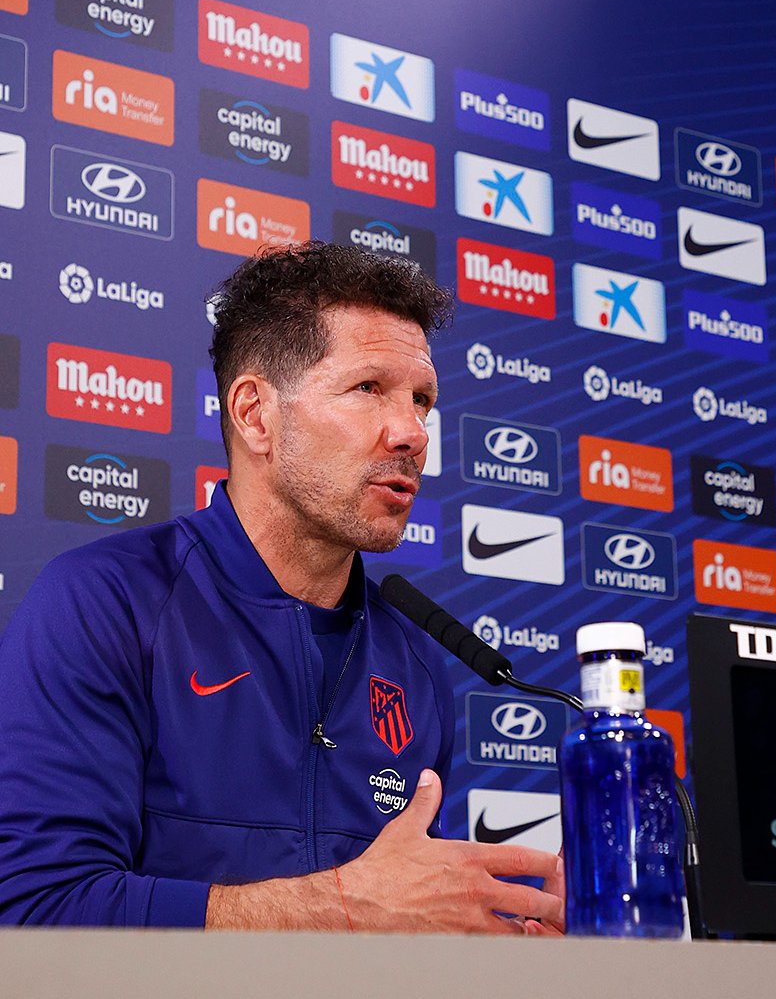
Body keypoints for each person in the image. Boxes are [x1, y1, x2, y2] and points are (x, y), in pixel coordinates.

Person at [0, 241, 564, 933]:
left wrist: (506, 935)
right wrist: (346, 908)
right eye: (368, 389)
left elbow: (407, 929)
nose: (412, 432)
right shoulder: (104, 604)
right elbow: (39, 912)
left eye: (422, 400)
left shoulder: (415, 663)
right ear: (253, 414)